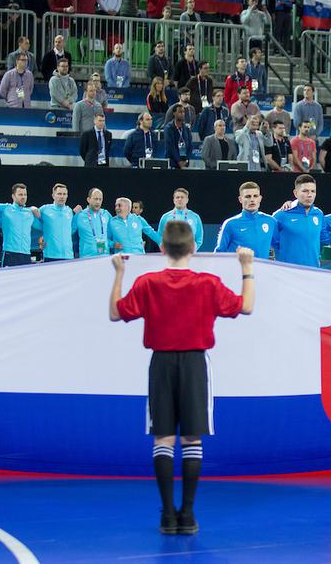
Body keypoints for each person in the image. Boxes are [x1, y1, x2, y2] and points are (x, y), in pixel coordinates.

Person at [108, 224, 255, 536]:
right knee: (192, 438)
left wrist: (119, 272)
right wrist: (247, 268)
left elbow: (115, 313)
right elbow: (246, 306)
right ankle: (187, 514)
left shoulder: (148, 282)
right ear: (192, 249)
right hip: (194, 364)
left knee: (163, 438)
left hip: (161, 363)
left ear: (162, 249)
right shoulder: (208, 283)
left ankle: (167, 516)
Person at [272, 175, 324, 267]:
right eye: (305, 191)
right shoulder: (281, 215)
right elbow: (272, 242)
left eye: (313, 191)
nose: (310, 195)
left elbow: (324, 238)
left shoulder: (318, 214)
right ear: (295, 193)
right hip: (287, 272)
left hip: (313, 272)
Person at [214, 182, 276, 259]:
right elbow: (219, 252)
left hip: (262, 270)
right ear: (240, 199)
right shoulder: (230, 224)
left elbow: (280, 246)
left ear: (260, 198)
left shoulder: (271, 221)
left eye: (255, 196)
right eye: (248, 196)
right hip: (237, 270)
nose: (252, 200)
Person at [35, 183, 75, 262]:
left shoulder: (69, 211)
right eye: (59, 194)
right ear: (53, 195)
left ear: (67, 196)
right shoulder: (44, 210)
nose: (62, 196)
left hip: (68, 256)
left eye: (64, 194)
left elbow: (71, 230)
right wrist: (39, 237)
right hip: (50, 256)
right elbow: (32, 224)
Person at [73, 188, 113, 258]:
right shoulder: (79, 215)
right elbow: (67, 233)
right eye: (95, 199)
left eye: (100, 199)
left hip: (105, 257)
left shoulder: (106, 214)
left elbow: (113, 234)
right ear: (88, 199)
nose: (98, 202)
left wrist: (112, 244)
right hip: (86, 258)